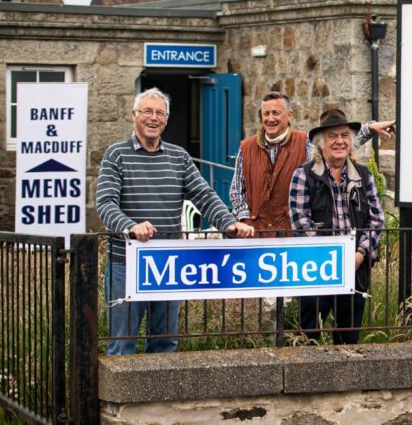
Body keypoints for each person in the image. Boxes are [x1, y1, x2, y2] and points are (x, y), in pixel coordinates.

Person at [97, 87, 255, 355]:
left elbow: (204, 195)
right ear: (134, 114)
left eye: (160, 113)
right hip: (127, 264)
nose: (153, 118)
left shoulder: (179, 157)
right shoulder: (116, 155)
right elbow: (105, 204)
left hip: (168, 263)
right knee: (122, 343)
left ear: (166, 119)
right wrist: (130, 226)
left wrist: (228, 223)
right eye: (147, 111)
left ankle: (157, 398)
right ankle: (121, 399)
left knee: (165, 342)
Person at [230, 92, 394, 236]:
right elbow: (237, 191)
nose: (270, 118)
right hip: (254, 235)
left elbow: (336, 144)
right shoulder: (246, 147)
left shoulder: (304, 142)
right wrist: (246, 220)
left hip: (289, 236)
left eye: (276, 113)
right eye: (266, 114)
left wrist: (370, 128)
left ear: (289, 115)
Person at [288, 110, 385, 344]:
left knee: (348, 341)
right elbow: (300, 223)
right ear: (321, 143)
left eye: (344, 135)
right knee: (309, 340)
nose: (339, 141)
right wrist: (332, 257)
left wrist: (360, 254)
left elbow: (377, 219)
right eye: (332, 136)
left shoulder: (363, 175)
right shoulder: (304, 175)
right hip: (316, 272)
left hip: (354, 272)